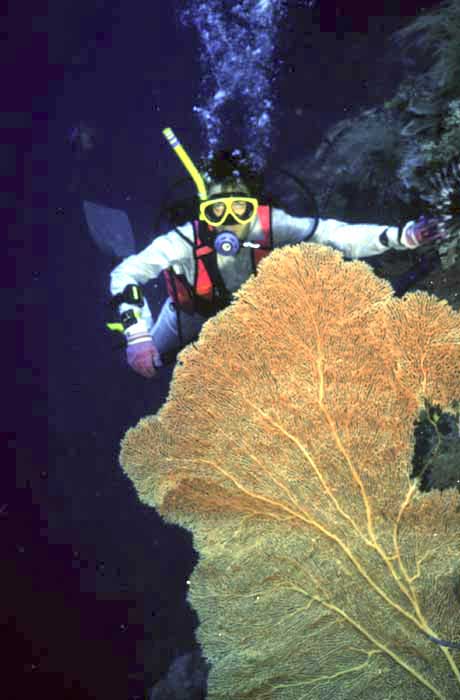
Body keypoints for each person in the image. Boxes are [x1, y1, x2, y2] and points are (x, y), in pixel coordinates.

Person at [109, 146, 445, 379]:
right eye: (216, 211)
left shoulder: (272, 225)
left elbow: (336, 235)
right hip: (190, 314)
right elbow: (126, 273)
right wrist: (137, 336)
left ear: (254, 206)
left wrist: (403, 236)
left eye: (240, 209)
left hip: (258, 316)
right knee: (147, 368)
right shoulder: (184, 238)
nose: (229, 222)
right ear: (203, 212)